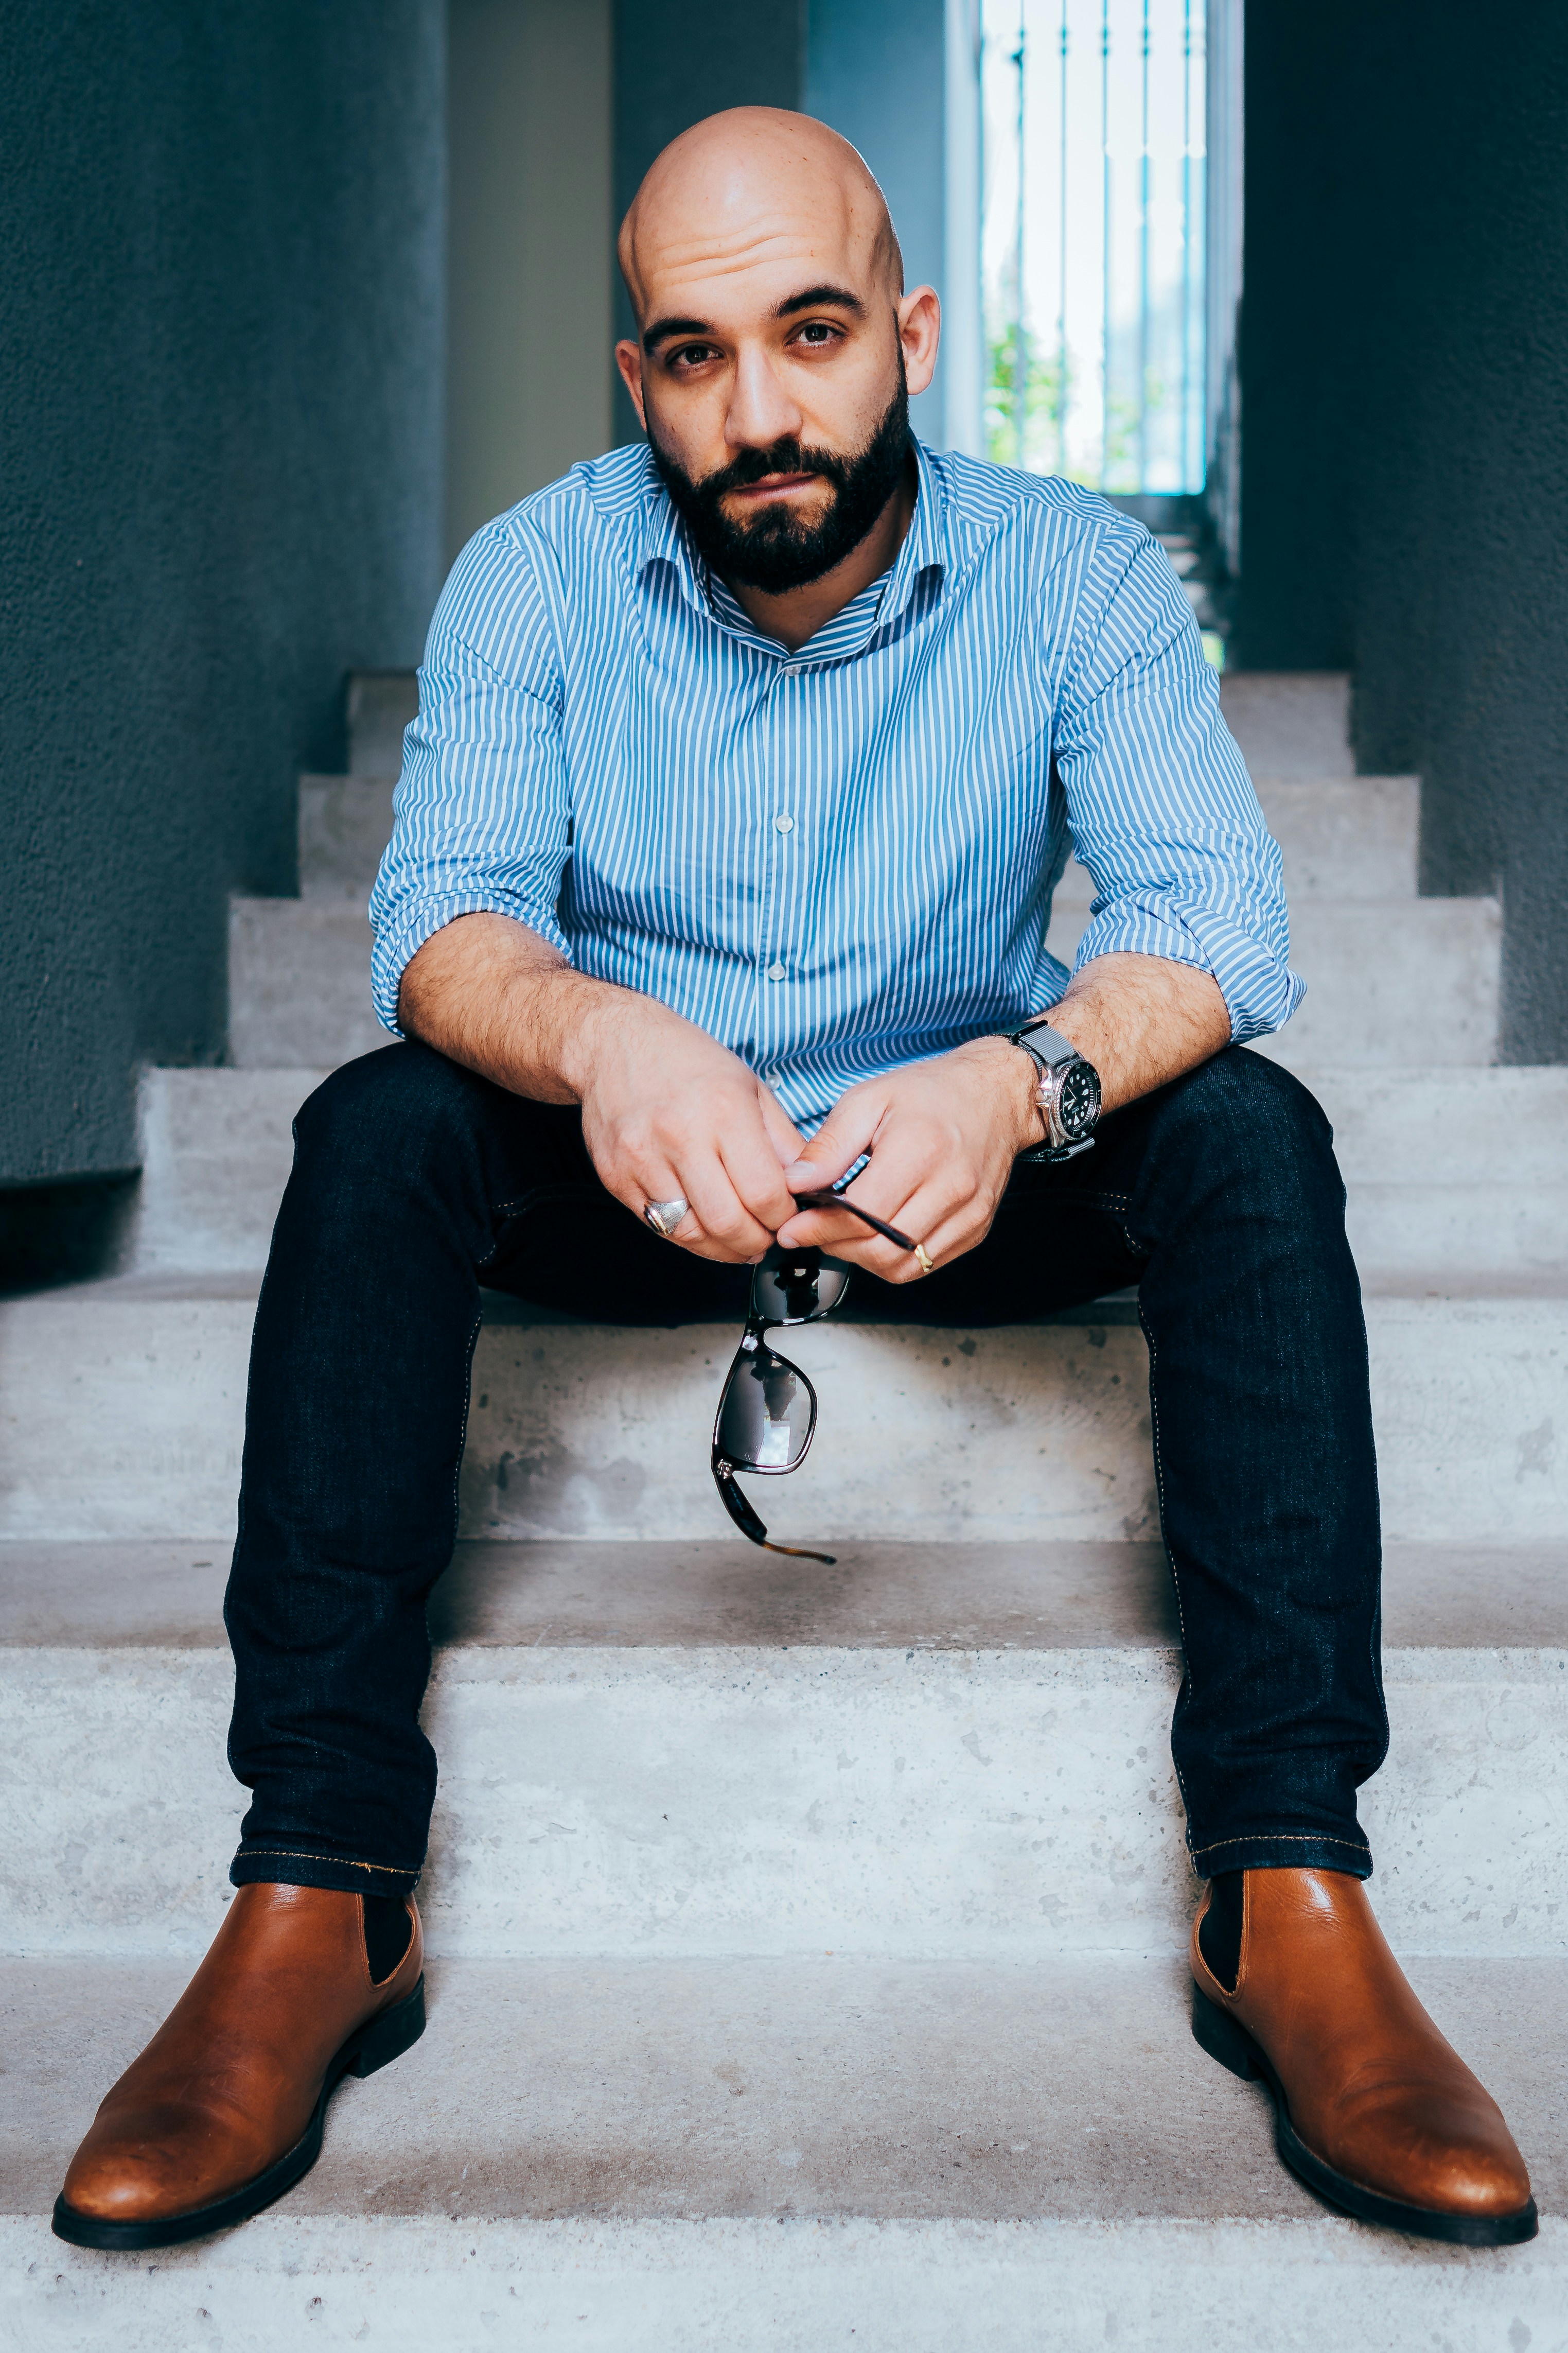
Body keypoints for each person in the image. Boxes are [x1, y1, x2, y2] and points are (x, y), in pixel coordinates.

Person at [56, 107, 1534, 2252]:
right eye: (691, 353)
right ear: (634, 377)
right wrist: (605, 1038)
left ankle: (1288, 1889)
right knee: (375, 1128)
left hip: (958, 1165)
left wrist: (1019, 1086)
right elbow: (444, 927)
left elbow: (1217, 923)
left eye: (814, 331)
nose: (758, 414)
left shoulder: (1077, 572)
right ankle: (320, 1890)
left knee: (1249, 1135)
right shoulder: (538, 576)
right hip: (641, 1173)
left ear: (912, 333)